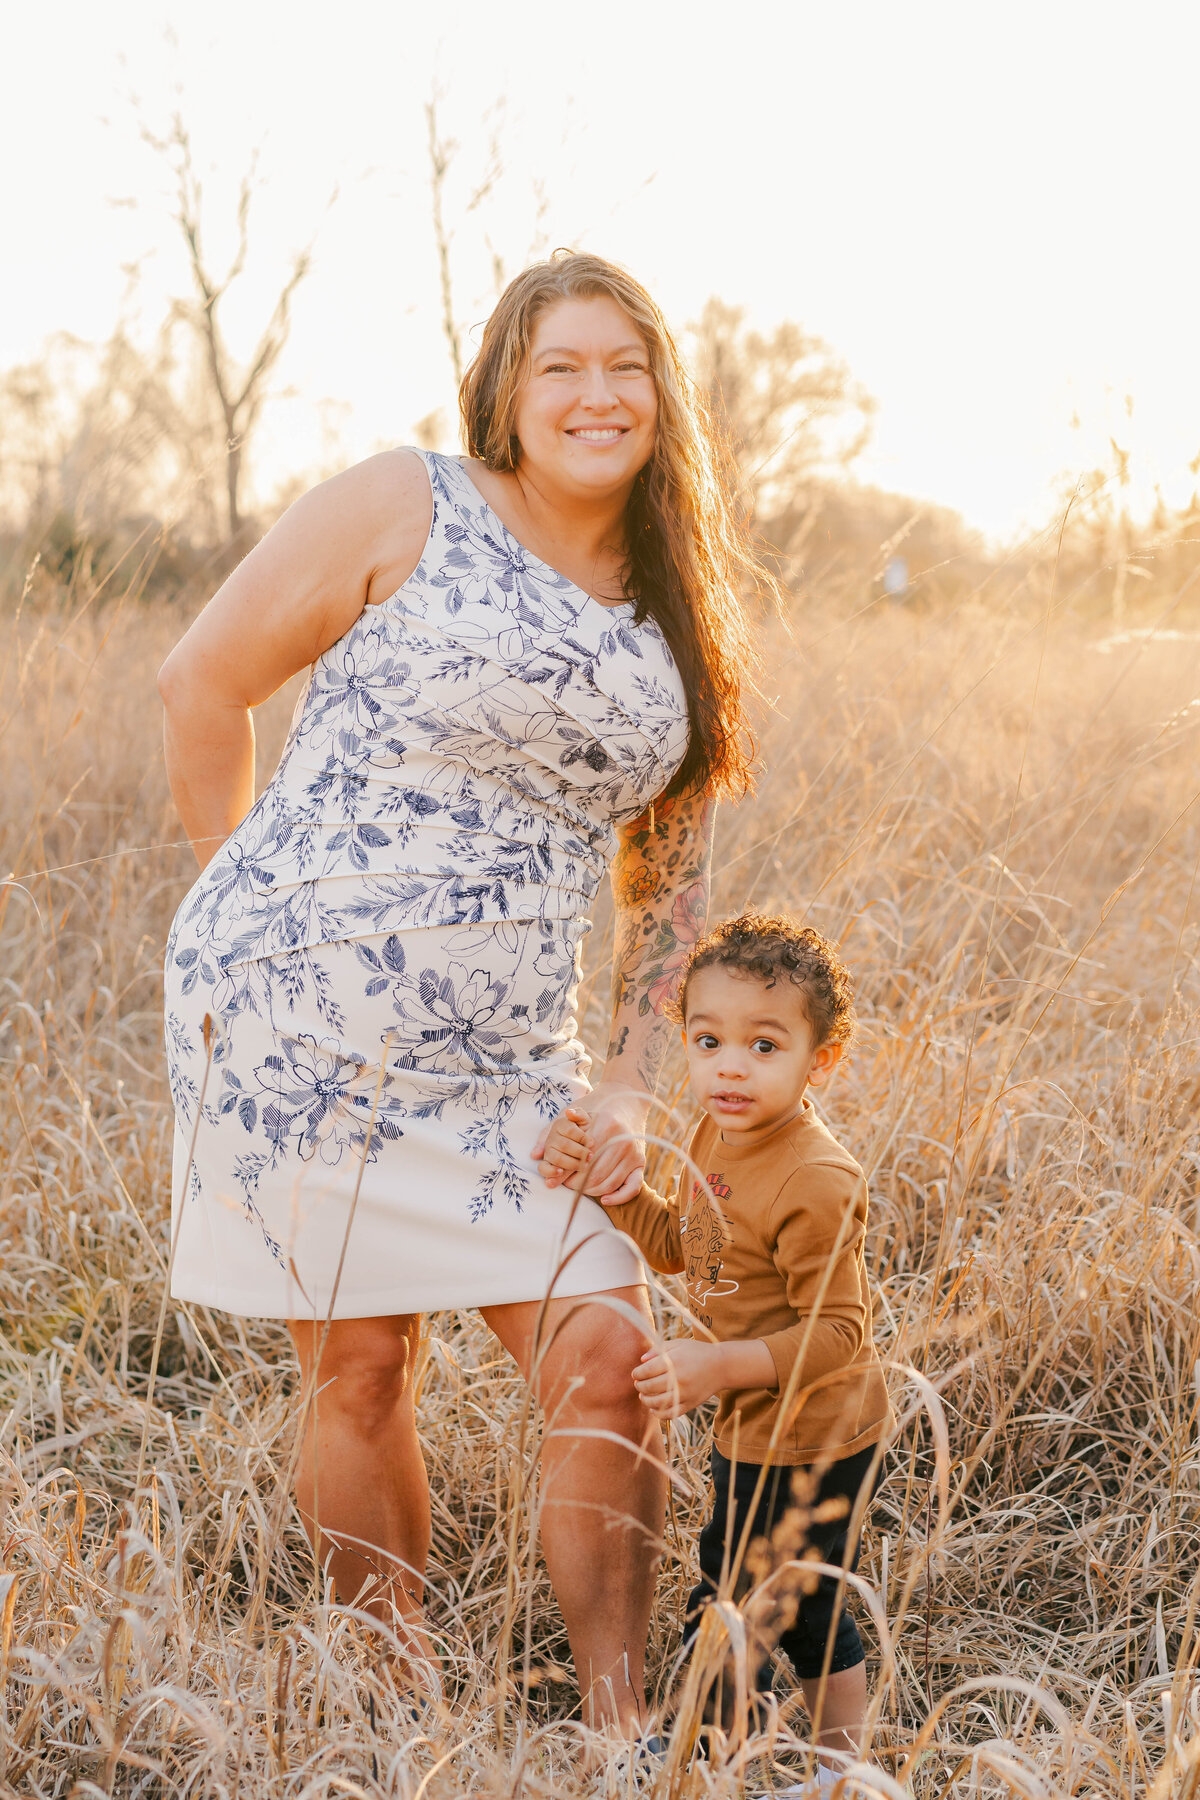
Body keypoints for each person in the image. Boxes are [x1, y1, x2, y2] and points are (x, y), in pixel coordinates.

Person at [157, 251, 772, 1736]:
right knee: (362, 1370)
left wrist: (626, 1082)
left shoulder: (679, 599)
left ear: (662, 396)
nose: (593, 393)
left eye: (624, 364)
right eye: (559, 364)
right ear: (504, 385)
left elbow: (669, 886)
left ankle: (623, 1733)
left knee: (612, 1362)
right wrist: (252, 902)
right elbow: (201, 682)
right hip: (310, 1036)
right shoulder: (404, 502)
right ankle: (395, 1710)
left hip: (516, 1066)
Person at [542, 913, 894, 1780]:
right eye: (708, 1040)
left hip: (816, 1432)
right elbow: (682, 1246)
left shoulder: (814, 1178)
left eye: (765, 1045)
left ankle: (833, 1770)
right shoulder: (717, 1130)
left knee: (791, 1600)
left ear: (823, 1060)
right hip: (750, 1421)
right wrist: (612, 1191)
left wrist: (718, 1368)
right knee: (737, 1590)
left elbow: (843, 1335)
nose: (730, 1065)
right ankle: (715, 1750)